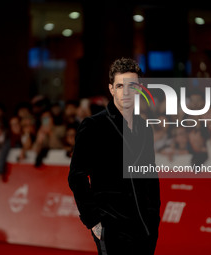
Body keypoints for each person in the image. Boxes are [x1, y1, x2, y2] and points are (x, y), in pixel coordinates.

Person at [68, 57, 160, 255]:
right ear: (111, 89)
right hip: (111, 226)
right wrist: (93, 221)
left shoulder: (144, 128)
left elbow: (150, 176)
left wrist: (154, 218)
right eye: (120, 86)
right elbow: (77, 176)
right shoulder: (93, 126)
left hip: (144, 226)